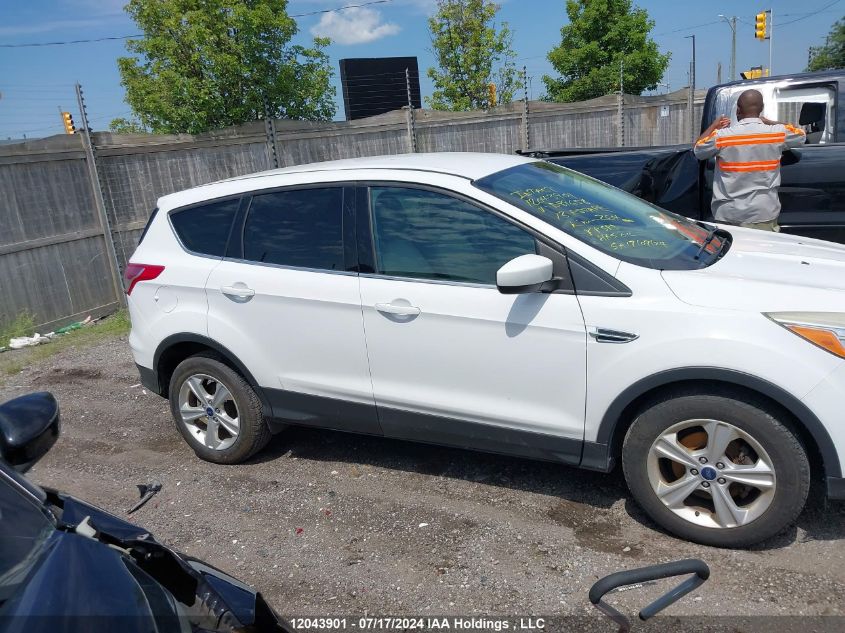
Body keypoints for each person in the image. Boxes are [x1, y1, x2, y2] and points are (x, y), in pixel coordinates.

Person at [693, 89, 806, 231]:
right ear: (762, 108)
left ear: (738, 110)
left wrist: (714, 125)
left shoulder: (722, 136)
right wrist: (770, 122)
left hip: (728, 213)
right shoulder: (777, 133)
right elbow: (801, 135)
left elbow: (698, 150)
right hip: (763, 213)